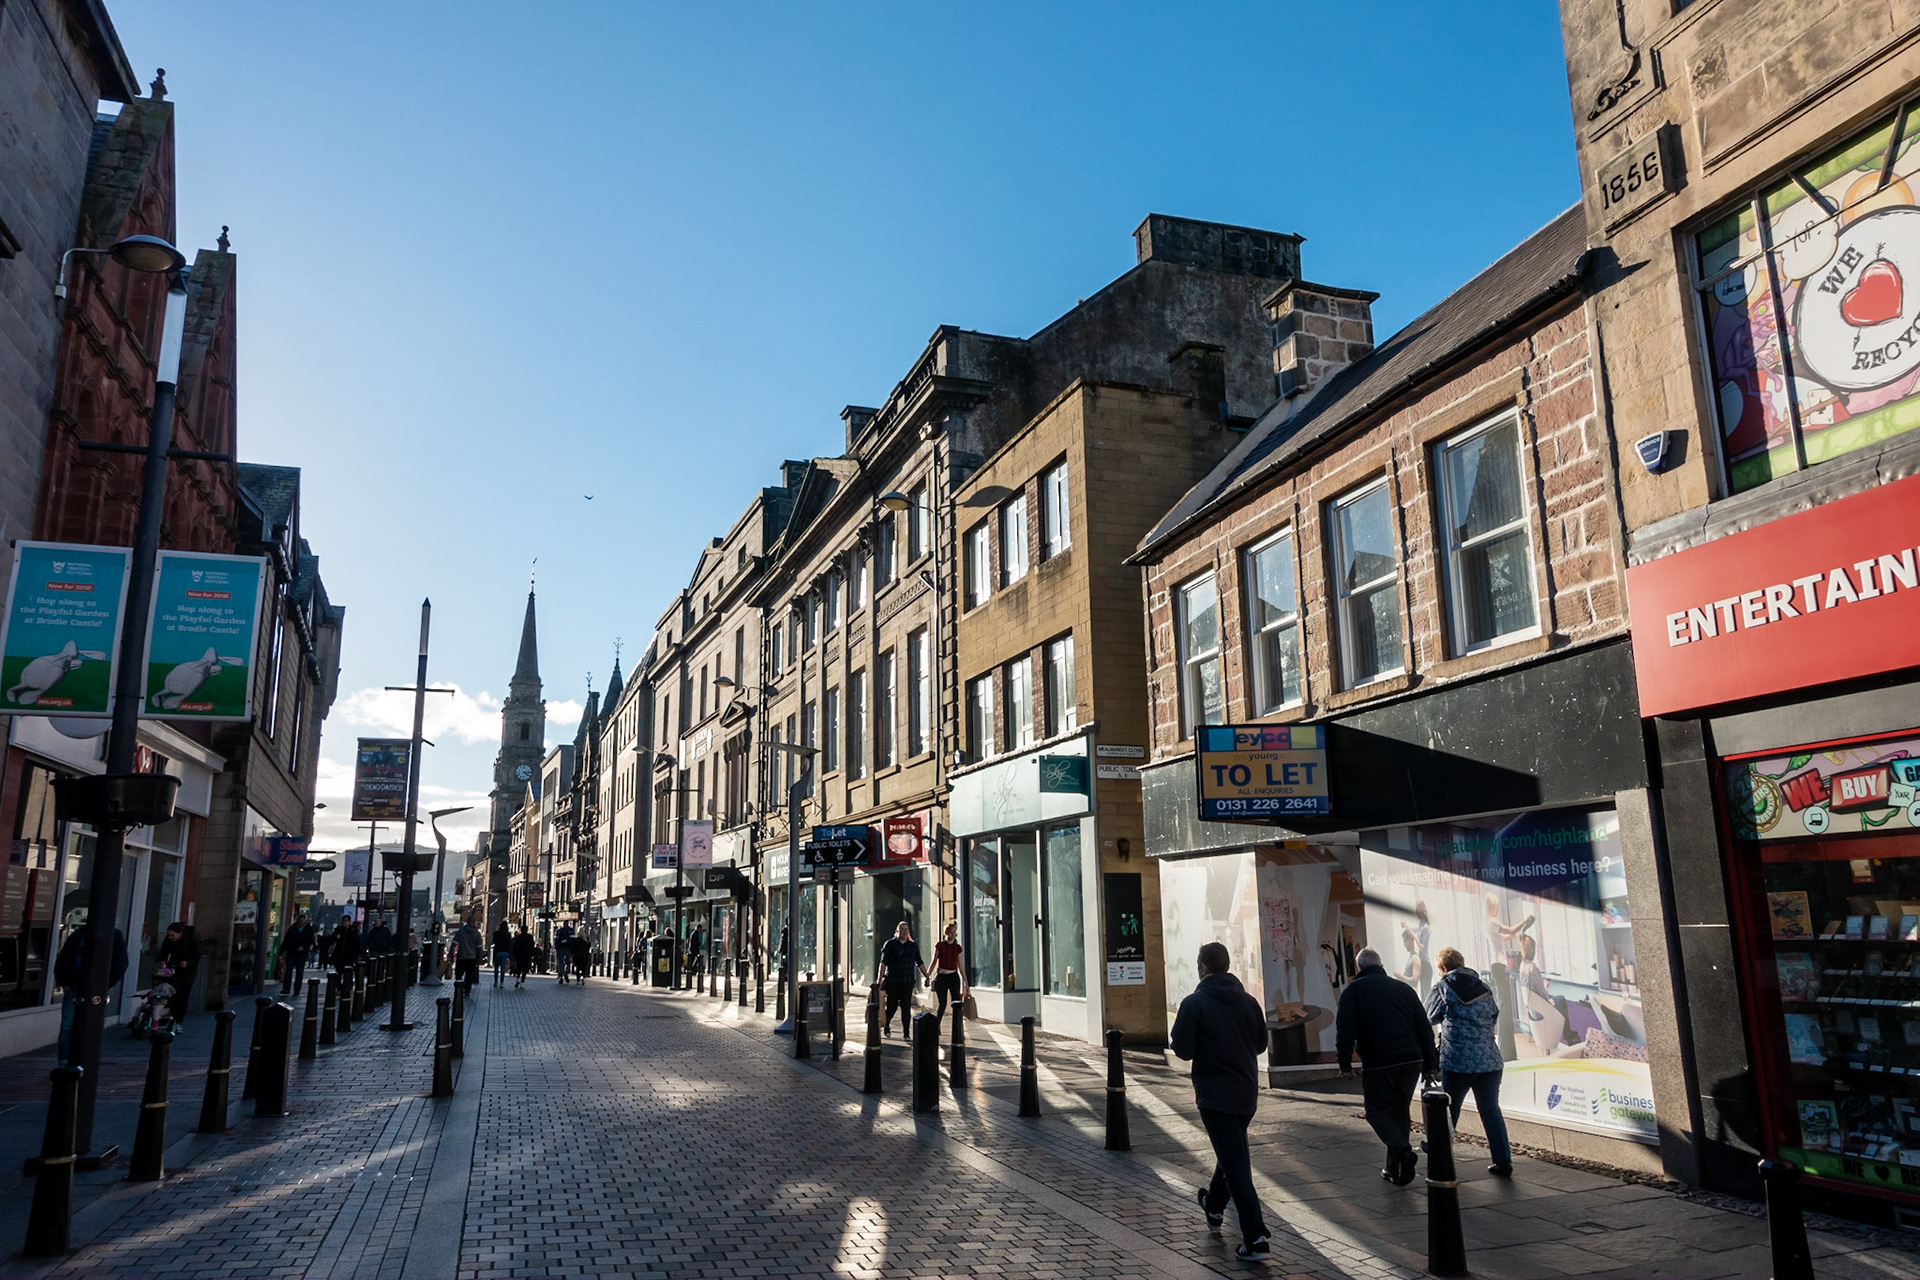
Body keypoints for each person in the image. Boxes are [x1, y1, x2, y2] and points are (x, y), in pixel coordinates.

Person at [1170, 941, 1270, 1264]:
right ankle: (1213, 1206)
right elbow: (1260, 1044)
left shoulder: (1195, 1003)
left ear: (1202, 967)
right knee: (1231, 1154)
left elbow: (1182, 1049)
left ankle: (1254, 1237)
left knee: (1236, 1164)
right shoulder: (1249, 1002)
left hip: (1214, 1095)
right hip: (1245, 1092)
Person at [1335, 946, 1438, 1187]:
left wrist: (1345, 1063)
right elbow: (1424, 1028)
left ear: (1359, 967)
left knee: (1376, 1111)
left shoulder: (1354, 991)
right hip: (1411, 1060)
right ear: (1380, 964)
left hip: (1379, 1061)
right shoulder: (1403, 989)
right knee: (1399, 1111)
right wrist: (1430, 1063)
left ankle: (1402, 1150)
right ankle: (1396, 1170)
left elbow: (1345, 1030)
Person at [1427, 946, 1513, 1178]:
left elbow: (1429, 1016)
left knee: (1448, 1111)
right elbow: (1493, 1016)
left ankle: (1440, 1156)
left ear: (1444, 968)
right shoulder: (1484, 988)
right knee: (1490, 1110)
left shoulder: (1443, 987)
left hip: (1459, 1061)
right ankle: (1503, 1160)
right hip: (1489, 1060)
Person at [54, 923, 128, 1064]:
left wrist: (105, 984)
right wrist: (64, 981)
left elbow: (121, 962)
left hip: (95, 987)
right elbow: (64, 958)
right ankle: (64, 1061)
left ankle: (84, 1060)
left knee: (89, 1025)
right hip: (75, 984)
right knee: (67, 1026)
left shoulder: (114, 936)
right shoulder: (78, 934)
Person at [874, 921, 925, 1038]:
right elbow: (883, 962)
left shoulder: (913, 946)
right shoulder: (890, 944)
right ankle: (886, 1025)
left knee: (906, 1008)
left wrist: (927, 976)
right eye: (902, 929)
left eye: (907, 930)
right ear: (897, 931)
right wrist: (879, 978)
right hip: (893, 981)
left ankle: (906, 1033)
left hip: (907, 981)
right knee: (891, 1006)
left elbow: (919, 962)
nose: (905, 932)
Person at [156, 921, 199, 1025]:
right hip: (173, 967)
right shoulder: (168, 940)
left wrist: (188, 963)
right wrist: (162, 960)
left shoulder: (191, 940)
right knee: (170, 992)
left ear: (180, 933)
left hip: (187, 971)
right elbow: (164, 952)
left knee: (182, 995)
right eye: (168, 935)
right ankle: (168, 1014)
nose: (170, 937)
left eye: (172, 935)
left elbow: (197, 955)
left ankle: (178, 1020)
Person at [929, 921, 967, 1021]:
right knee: (942, 1003)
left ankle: (958, 1028)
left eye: (954, 932)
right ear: (946, 933)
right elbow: (934, 961)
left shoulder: (957, 948)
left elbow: (960, 965)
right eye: (950, 932)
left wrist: (965, 980)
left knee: (956, 1003)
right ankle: (936, 1026)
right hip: (942, 977)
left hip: (953, 977)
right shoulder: (940, 946)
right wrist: (928, 975)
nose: (953, 935)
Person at [280, 912, 316, 997]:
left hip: (301, 954)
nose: (301, 923)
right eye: (300, 921)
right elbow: (286, 940)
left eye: (303, 921)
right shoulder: (292, 928)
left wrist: (304, 947)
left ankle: (297, 989)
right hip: (291, 952)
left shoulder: (308, 929)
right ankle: (286, 989)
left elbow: (310, 940)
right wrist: (281, 952)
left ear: (305, 921)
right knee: (288, 971)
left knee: (299, 972)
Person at [451, 917, 483, 993]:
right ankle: (467, 989)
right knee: (469, 974)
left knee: (459, 974)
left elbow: (454, 943)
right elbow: (479, 947)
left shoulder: (461, 931)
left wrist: (451, 954)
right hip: (472, 957)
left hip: (461, 956)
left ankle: (458, 988)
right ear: (473, 923)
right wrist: (479, 958)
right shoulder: (477, 933)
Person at [491, 921, 513, 988]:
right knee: (503, 968)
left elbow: (494, 941)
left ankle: (495, 982)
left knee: (496, 968)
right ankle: (502, 983)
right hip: (505, 952)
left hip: (497, 951)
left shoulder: (497, 933)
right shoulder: (508, 934)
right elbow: (510, 943)